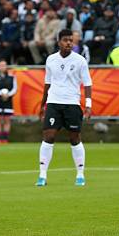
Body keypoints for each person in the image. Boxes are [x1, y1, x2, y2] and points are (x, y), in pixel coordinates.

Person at [36, 29, 93, 187]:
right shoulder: (51, 60)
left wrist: (88, 105)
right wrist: (42, 105)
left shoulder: (80, 60)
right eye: (65, 40)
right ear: (59, 41)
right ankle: (42, 175)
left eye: (71, 40)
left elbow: (87, 84)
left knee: (74, 138)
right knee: (48, 136)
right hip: (54, 102)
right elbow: (47, 83)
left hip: (72, 104)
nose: (69, 42)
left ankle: (80, 175)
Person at [0, 60, 17, 144]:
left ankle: (5, 139)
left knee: (7, 120)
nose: (2, 67)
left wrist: (8, 95)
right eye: (1, 65)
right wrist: (1, 94)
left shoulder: (12, 77)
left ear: (6, 67)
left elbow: (15, 88)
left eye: (4, 65)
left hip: (8, 100)